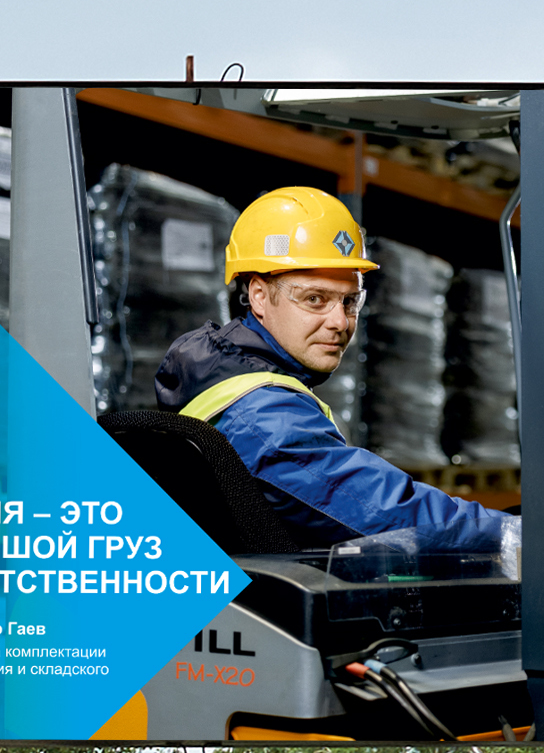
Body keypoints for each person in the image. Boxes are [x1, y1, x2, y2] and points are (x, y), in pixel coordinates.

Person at [157, 187, 517, 573]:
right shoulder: (262, 418)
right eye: (315, 299)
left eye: (350, 301)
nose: (340, 322)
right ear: (259, 297)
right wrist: (510, 537)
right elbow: (383, 511)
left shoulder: (225, 381)